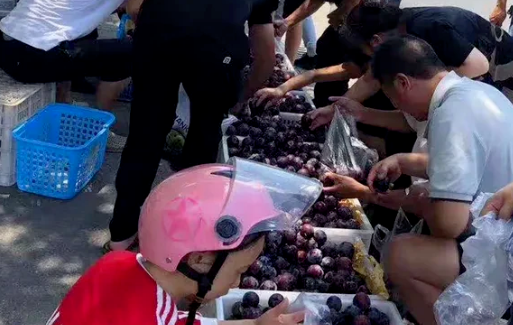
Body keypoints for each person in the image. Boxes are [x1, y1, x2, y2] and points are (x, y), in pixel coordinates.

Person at [45, 158, 321, 325]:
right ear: (199, 259)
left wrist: (255, 323)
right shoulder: (151, 316)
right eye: (238, 271)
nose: (237, 284)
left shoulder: (119, 262)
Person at [107, 0, 277, 252]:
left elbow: (133, 7)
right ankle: (182, 236)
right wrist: (243, 96)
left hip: (159, 36)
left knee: (145, 135)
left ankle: (120, 237)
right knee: (203, 138)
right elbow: (265, 53)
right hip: (216, 51)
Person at [365, 35, 513, 325]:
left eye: (395, 100)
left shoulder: (450, 114)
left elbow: (449, 224)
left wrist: (412, 200)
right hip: (503, 228)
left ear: (403, 83)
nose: (403, 111)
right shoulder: (477, 91)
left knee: (401, 255)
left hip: (502, 257)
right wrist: (407, 163)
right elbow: (468, 163)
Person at [309, 3, 513, 131]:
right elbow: (370, 79)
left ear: (375, 41)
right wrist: (333, 109)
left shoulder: (428, 27)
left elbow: (477, 66)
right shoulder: (395, 29)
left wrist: (432, 102)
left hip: (503, 73)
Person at [0, 0, 131, 152]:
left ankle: (64, 102)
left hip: (7, 44)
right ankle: (100, 128)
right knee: (131, 54)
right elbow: (137, 11)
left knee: (81, 31)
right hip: (31, 57)